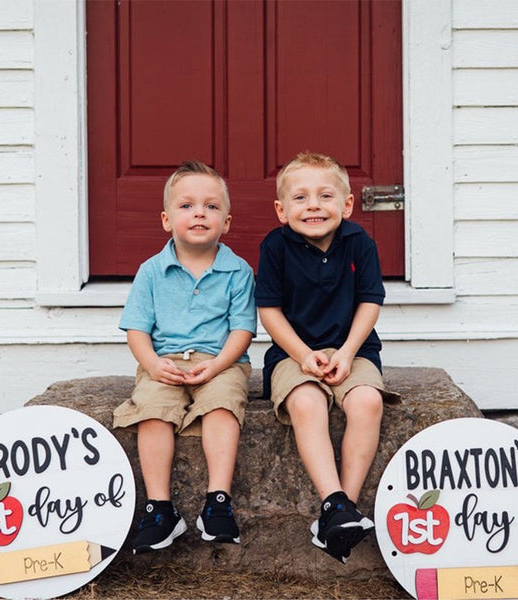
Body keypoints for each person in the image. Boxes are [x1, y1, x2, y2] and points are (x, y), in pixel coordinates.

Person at [254, 151, 399, 563]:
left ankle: (342, 510)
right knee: (307, 401)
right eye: (300, 198)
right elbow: (269, 310)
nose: (313, 205)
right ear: (282, 210)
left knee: (367, 401)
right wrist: (301, 355)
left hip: (354, 348)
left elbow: (370, 302)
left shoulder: (359, 243)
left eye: (325, 195)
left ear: (347, 204)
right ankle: (333, 500)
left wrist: (350, 352)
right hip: (292, 353)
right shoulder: (275, 247)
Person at [113, 160, 256, 554]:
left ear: (226, 222)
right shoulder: (151, 272)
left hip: (220, 360)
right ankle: (161, 509)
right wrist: (153, 363)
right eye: (187, 205)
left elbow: (242, 329)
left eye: (211, 207)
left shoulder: (238, 271)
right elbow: (137, 330)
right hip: (165, 360)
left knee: (222, 405)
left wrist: (221, 364)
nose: (199, 213)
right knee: (153, 409)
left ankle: (218, 502)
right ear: (166, 219)